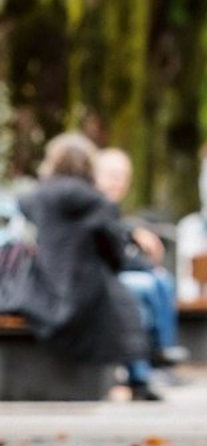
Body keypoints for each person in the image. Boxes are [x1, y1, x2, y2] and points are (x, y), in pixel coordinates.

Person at [11, 134, 147, 397]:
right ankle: (140, 376)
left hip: (37, 287)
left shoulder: (31, 199)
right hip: (84, 289)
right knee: (132, 298)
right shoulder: (95, 201)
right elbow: (114, 252)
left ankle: (140, 374)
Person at [95, 148, 186, 396]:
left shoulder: (106, 206)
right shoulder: (94, 204)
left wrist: (135, 232)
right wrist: (146, 263)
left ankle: (161, 355)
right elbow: (114, 255)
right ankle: (154, 359)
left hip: (106, 275)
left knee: (158, 280)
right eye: (112, 175)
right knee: (145, 285)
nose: (118, 182)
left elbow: (118, 237)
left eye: (124, 176)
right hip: (96, 280)